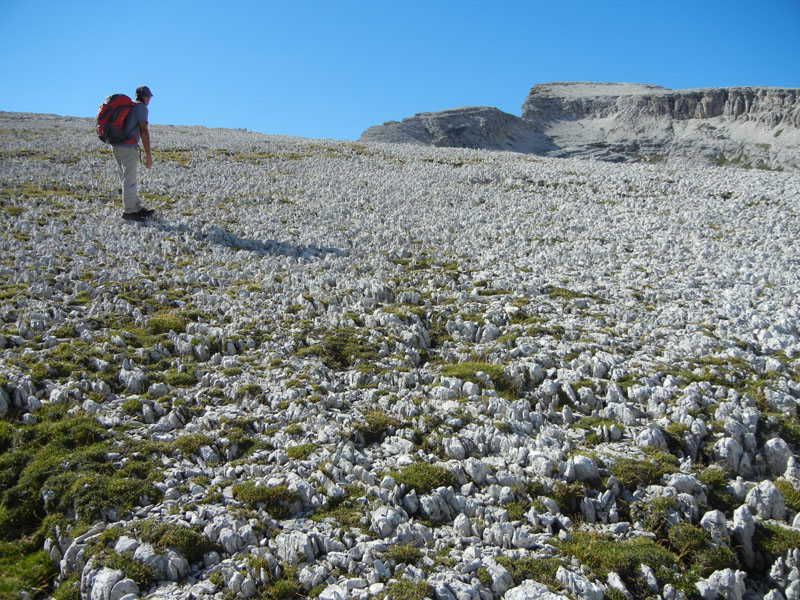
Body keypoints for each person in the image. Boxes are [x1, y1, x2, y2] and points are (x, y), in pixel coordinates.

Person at [113, 86, 155, 221]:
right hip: (128, 147)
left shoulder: (130, 106)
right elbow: (143, 130)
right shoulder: (141, 108)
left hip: (116, 145)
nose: (149, 100)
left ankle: (136, 207)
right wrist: (148, 155)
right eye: (149, 97)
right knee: (129, 179)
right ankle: (129, 211)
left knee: (125, 177)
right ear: (146, 96)